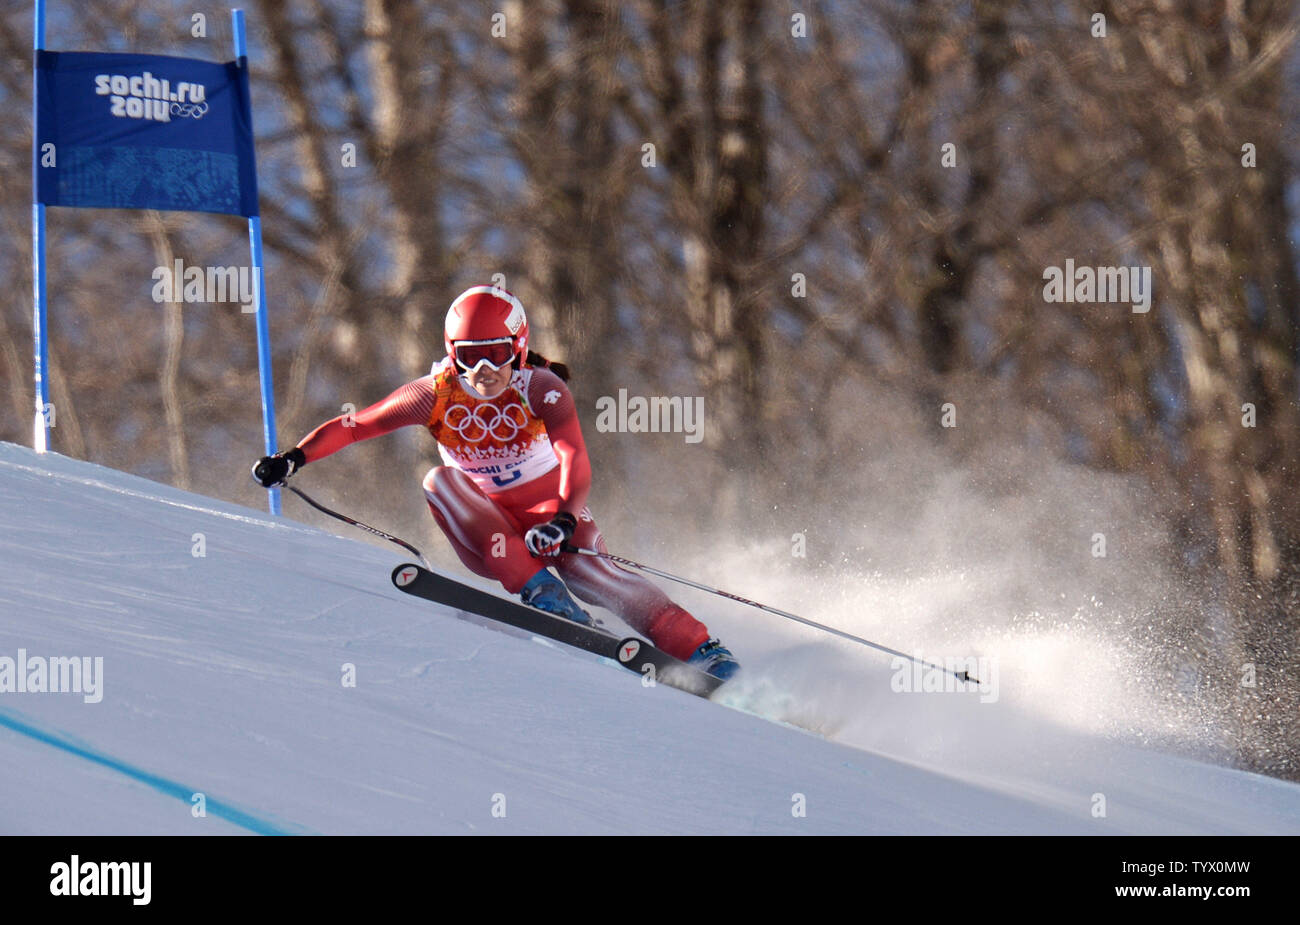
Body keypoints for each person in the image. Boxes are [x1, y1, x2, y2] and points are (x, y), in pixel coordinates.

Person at [252, 285, 740, 680]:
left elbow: (574, 459)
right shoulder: (435, 395)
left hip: (553, 514)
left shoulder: (542, 389)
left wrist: (564, 521)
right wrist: (293, 457)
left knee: (596, 576)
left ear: (519, 348)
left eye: (496, 354)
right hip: (488, 530)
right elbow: (356, 425)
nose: (484, 371)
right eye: (470, 357)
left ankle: (702, 649)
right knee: (438, 479)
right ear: (452, 355)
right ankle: (541, 594)